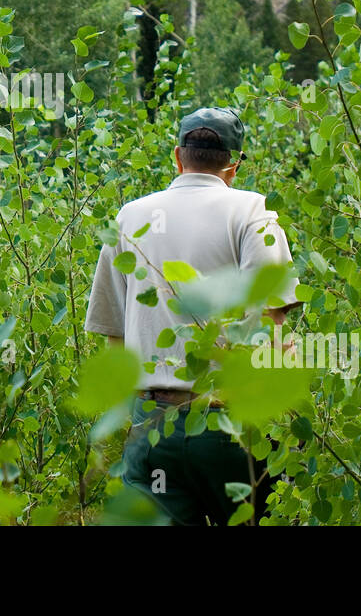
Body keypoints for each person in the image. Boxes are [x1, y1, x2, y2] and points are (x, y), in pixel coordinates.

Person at [84, 107, 299, 525]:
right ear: (233, 166)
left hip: (151, 429)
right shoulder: (252, 214)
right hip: (229, 428)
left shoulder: (129, 217)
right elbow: (273, 334)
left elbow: (113, 340)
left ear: (177, 158)